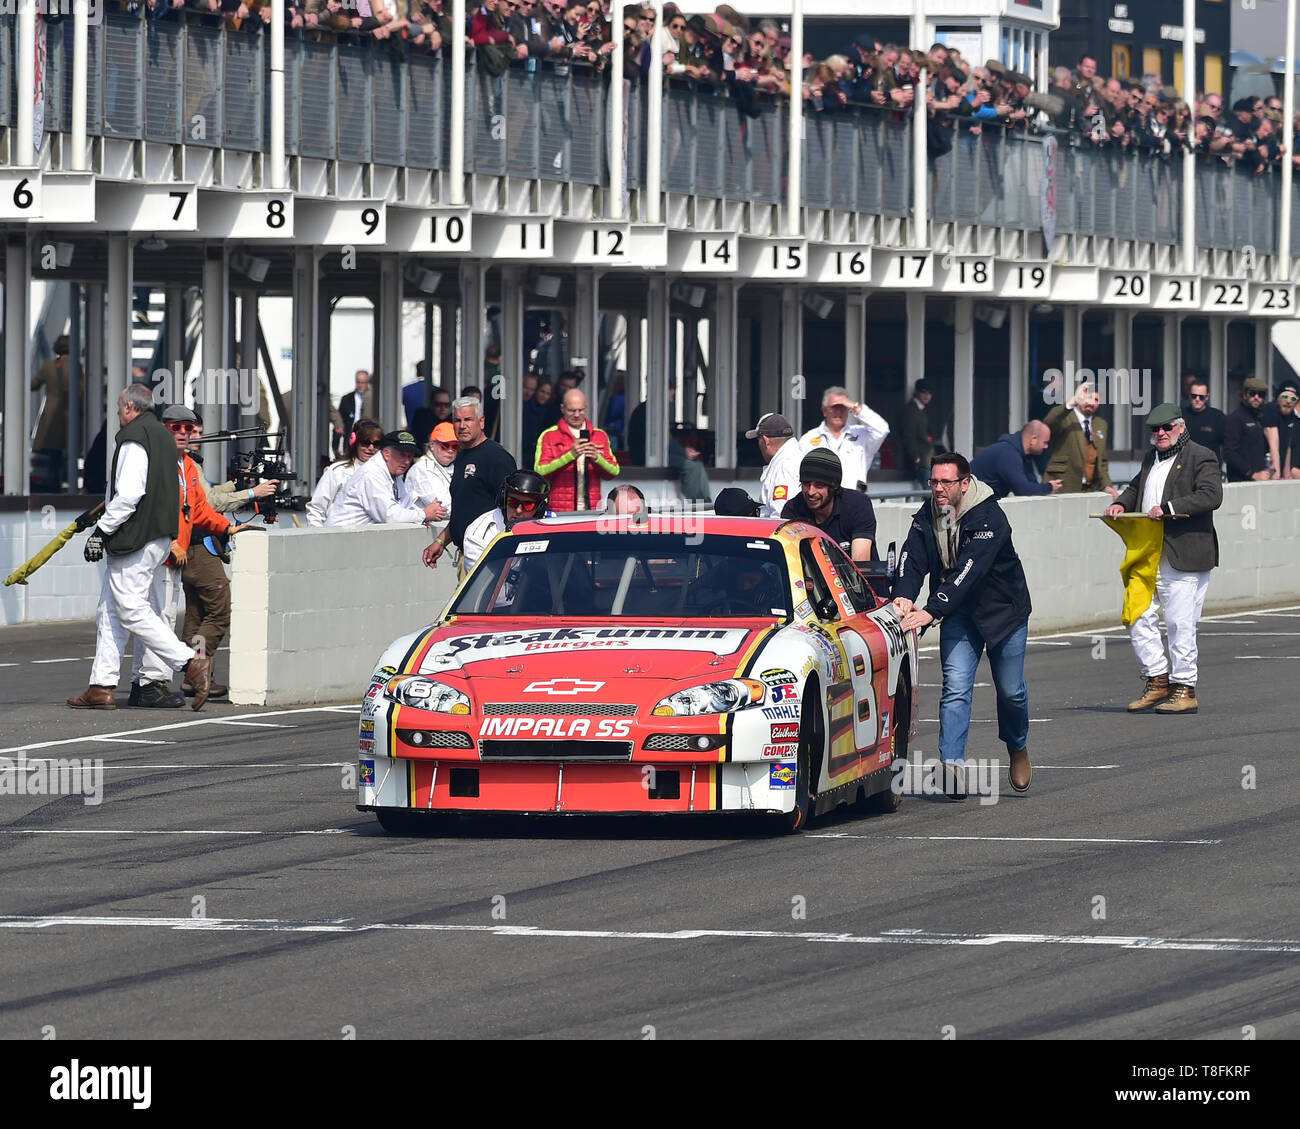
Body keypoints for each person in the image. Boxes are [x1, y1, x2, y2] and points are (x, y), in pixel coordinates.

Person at [891, 452, 1033, 795]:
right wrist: (903, 595)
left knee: (1011, 692)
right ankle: (952, 766)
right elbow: (913, 556)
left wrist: (931, 609)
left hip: (1004, 612)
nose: (938, 488)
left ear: (964, 483)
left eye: (946, 482)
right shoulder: (929, 513)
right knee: (955, 685)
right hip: (960, 614)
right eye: (934, 481)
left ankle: (1017, 747)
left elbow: (968, 571)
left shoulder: (989, 516)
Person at [68, 385, 212, 712]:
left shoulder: (133, 438)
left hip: (135, 536)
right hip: (160, 535)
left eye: (120, 408)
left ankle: (190, 662)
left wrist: (102, 532)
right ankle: (101, 686)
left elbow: (129, 494)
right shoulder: (162, 438)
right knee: (111, 610)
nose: (118, 414)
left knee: (131, 609)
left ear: (131, 407)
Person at [1105, 405, 1223, 715]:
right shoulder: (1150, 458)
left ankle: (1185, 688)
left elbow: (1212, 495)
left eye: (1166, 428)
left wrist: (1168, 508)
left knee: (1178, 623)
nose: (1160, 434)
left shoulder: (1202, 456)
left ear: (1181, 427)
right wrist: (1120, 503)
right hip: (1149, 551)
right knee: (1136, 612)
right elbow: (1135, 487)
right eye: (1154, 430)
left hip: (1185, 552)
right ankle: (1158, 679)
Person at [424, 396, 518, 572]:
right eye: (457, 420)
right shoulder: (461, 456)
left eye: (468, 419)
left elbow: (514, 509)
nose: (462, 425)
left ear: (481, 422)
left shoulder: (496, 457)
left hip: (490, 556)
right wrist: (441, 541)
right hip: (465, 553)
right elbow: (464, 511)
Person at [425, 470, 551, 574]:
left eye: (528, 505)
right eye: (513, 502)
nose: (518, 510)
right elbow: (486, 586)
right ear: (503, 499)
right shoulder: (478, 533)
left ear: (539, 509)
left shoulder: (552, 525)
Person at [325, 431, 448, 527]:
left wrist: (429, 511)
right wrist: (424, 514)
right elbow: (389, 516)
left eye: (410, 456)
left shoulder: (395, 473)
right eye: (402, 455)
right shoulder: (372, 473)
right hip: (340, 541)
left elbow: (403, 508)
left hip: (358, 540)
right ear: (386, 454)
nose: (406, 461)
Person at [779, 449, 878, 563]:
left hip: (854, 578)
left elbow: (860, 564)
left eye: (819, 485)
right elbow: (790, 560)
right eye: (806, 484)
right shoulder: (793, 509)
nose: (811, 492)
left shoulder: (857, 504)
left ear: (834, 486)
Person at [535, 388, 620, 511]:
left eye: (580, 410)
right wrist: (570, 456)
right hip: (559, 510)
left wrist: (597, 459)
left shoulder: (599, 435)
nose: (576, 415)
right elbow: (540, 472)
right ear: (562, 408)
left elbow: (614, 471)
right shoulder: (549, 435)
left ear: (586, 408)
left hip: (592, 508)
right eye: (571, 410)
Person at [798, 386, 890, 493]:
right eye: (834, 407)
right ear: (824, 410)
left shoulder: (861, 435)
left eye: (843, 407)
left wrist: (855, 406)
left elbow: (882, 429)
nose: (839, 412)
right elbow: (798, 474)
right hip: (820, 503)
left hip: (855, 500)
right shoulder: (808, 439)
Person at [1044, 380, 1120, 497]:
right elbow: (1049, 422)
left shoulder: (1101, 424)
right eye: (1088, 397)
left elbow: (1102, 462)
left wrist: (1107, 485)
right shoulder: (1065, 417)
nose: (1092, 403)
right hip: (1062, 487)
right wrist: (1073, 401)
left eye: (1096, 400)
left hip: (1090, 490)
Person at [305, 419, 384, 527]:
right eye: (365, 443)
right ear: (354, 442)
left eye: (376, 444)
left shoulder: (386, 475)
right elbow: (316, 509)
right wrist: (318, 538)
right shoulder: (337, 471)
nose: (371, 448)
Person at [969, 421, 1060, 499]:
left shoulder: (1024, 455)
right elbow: (1023, 490)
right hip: (971, 504)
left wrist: (1044, 488)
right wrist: (1049, 487)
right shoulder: (1008, 454)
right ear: (1033, 439)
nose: (1046, 447)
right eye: (1045, 442)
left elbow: (1031, 486)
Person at [31, 334, 72, 489]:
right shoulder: (75, 365)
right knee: (65, 451)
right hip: (68, 414)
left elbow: (33, 385)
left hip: (50, 414)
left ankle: (51, 483)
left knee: (50, 452)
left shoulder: (48, 366)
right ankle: (63, 481)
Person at [404, 421, 458, 528]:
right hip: (419, 532)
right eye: (445, 445)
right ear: (432, 445)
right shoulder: (422, 469)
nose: (450, 450)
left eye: (455, 446)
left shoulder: (455, 467)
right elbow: (443, 507)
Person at [747, 412, 802, 518]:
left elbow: (780, 516)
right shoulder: (796, 456)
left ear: (766, 440)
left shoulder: (784, 466)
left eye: (758, 439)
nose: (758, 444)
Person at [1223, 377, 1272, 482]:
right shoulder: (1235, 418)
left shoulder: (1261, 418)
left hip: (1261, 479)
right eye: (1252, 393)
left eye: (1261, 395)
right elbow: (1228, 453)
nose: (1256, 397)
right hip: (1241, 481)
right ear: (1245, 395)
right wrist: (1252, 474)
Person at [898, 379, 936, 487]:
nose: (927, 396)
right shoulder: (910, 411)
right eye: (924, 392)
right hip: (920, 461)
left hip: (927, 460)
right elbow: (908, 436)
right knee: (929, 495)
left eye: (930, 393)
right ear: (917, 392)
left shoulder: (923, 410)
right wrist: (916, 457)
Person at [1181, 379, 1226, 467]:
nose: (1197, 399)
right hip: (1186, 467)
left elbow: (1227, 445)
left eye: (1201, 397)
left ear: (1207, 397)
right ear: (1189, 396)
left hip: (1210, 467)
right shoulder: (1181, 416)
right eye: (1194, 396)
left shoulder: (1217, 416)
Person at [1262, 379, 1300, 479]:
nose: (1288, 401)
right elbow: (1273, 443)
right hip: (1264, 468)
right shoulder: (1270, 410)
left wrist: (1286, 475)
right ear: (1277, 398)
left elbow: (1289, 446)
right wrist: (1277, 473)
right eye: (1285, 396)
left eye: (1293, 398)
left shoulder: (1294, 419)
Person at [331, 370, 376, 455]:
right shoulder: (347, 399)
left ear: (368, 383)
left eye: (363, 382)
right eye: (358, 382)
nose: (360, 385)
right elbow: (340, 422)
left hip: (369, 437)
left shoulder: (374, 398)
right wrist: (335, 445)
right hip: (351, 438)